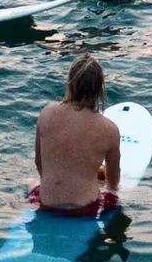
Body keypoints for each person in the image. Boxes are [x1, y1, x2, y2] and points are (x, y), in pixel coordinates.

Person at [33, 54, 122, 214]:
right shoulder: (110, 130)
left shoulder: (46, 114)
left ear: (70, 83)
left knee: (31, 181)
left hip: (46, 204)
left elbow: (40, 166)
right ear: (99, 89)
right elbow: (113, 184)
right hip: (84, 209)